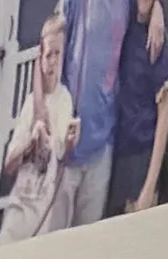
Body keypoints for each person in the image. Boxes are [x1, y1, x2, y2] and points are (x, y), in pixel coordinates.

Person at [51, 0, 132, 228]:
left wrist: (157, 13)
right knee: (55, 240)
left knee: (89, 238)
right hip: (66, 150)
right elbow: (49, 52)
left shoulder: (128, 5)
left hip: (101, 148)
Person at [0, 9, 75, 240]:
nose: (52, 62)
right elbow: (9, 164)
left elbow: (59, 151)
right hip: (19, 205)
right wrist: (28, 143)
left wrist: (64, 141)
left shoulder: (64, 100)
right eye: (48, 55)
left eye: (58, 54)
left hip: (42, 211)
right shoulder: (30, 103)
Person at [110, 0, 168, 213]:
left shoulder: (156, 41)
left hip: (139, 158)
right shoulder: (120, 22)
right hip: (109, 155)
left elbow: (164, 116)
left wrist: (148, 188)